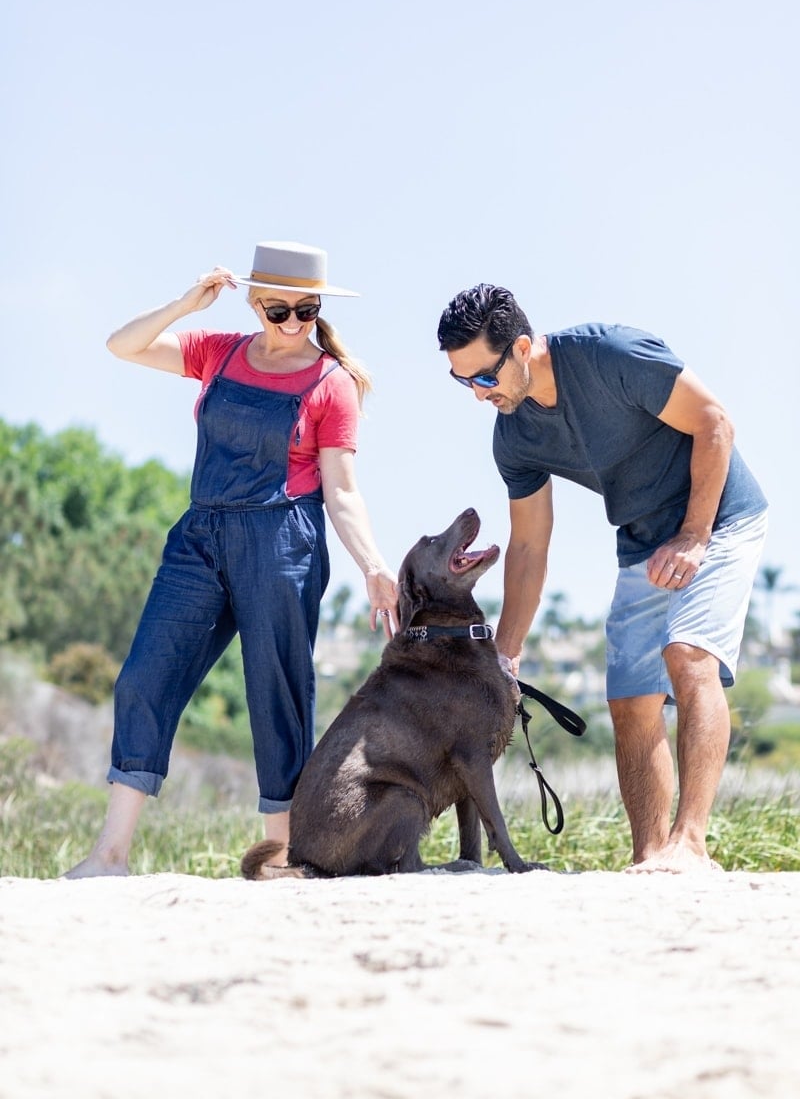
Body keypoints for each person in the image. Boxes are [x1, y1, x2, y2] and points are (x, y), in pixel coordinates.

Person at [65, 241, 398, 878]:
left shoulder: (333, 385)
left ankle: (284, 858)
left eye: (308, 310)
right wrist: (188, 302)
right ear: (254, 302)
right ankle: (110, 855)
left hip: (281, 541)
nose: (295, 324)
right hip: (200, 535)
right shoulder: (217, 352)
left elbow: (343, 489)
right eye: (279, 311)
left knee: (277, 693)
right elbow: (122, 345)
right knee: (144, 676)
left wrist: (374, 565)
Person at [437, 284, 768, 874]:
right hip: (642, 536)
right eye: (462, 383)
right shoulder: (514, 436)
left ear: (520, 348)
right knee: (630, 699)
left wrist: (695, 535)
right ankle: (650, 859)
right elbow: (530, 545)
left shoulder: (611, 356)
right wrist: (505, 660)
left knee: (688, 655)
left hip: (717, 516)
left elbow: (715, 421)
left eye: (483, 378)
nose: (476, 395)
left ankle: (690, 845)